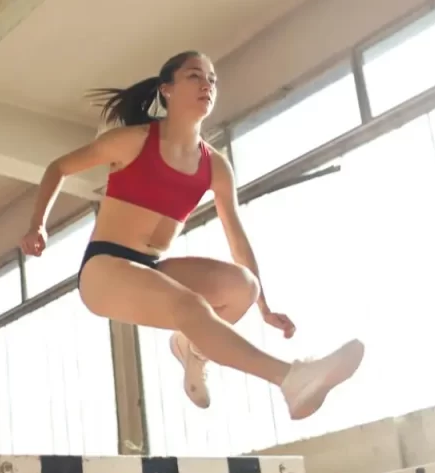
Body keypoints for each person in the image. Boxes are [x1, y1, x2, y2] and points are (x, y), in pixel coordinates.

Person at [20, 50, 363, 420]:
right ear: (166, 90)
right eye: (195, 77)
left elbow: (235, 235)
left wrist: (262, 305)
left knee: (243, 287)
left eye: (212, 80)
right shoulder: (132, 141)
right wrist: (38, 223)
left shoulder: (214, 165)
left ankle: (192, 348)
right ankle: (291, 379)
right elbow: (60, 167)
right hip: (104, 269)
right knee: (191, 307)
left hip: (152, 269)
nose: (207, 85)